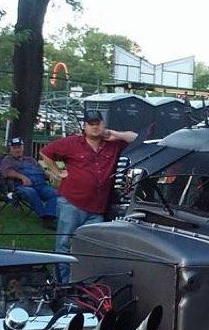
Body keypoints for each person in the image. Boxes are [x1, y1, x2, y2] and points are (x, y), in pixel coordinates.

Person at [40, 109, 138, 283]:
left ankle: (85, 283)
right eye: (90, 124)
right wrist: (57, 172)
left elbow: (137, 138)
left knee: (92, 247)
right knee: (64, 244)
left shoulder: (113, 144)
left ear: (103, 124)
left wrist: (115, 134)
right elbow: (46, 152)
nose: (95, 127)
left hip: (97, 208)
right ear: (84, 126)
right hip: (72, 203)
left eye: (98, 123)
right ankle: (62, 284)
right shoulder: (72, 143)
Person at [0, 137, 59, 227]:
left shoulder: (31, 160)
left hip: (41, 185)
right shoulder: (8, 160)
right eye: (14, 148)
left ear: (22, 148)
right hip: (22, 187)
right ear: (10, 149)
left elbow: (41, 171)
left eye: (19, 147)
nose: (17, 150)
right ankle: (44, 218)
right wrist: (22, 177)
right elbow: (7, 172)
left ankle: (49, 216)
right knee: (31, 192)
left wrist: (48, 174)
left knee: (55, 194)